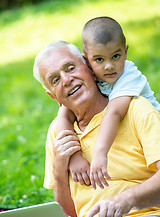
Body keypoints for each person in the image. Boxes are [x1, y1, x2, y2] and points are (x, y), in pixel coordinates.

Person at [33, 40, 160, 217]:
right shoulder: (57, 133)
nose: (66, 80)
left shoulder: (136, 108)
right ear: (53, 97)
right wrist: (59, 169)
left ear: (89, 67)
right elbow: (73, 212)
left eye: (70, 68)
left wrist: (126, 200)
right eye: (55, 80)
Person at [56, 17, 160, 190]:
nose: (109, 66)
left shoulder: (129, 75)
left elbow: (114, 113)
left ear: (125, 52)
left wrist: (99, 154)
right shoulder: (92, 77)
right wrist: (73, 156)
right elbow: (64, 113)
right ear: (86, 60)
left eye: (116, 56)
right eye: (99, 60)